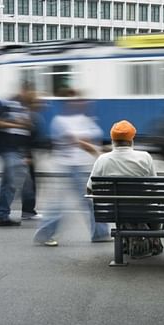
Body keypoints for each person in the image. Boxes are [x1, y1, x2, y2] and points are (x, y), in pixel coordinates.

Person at [33, 90, 110, 246]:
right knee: (62, 203)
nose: (84, 103)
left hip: (82, 166)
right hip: (69, 167)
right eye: (78, 100)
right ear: (69, 103)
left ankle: (100, 233)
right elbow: (79, 141)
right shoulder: (60, 121)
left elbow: (92, 138)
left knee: (89, 201)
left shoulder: (85, 119)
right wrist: (99, 152)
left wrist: (99, 148)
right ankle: (44, 234)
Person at [86, 120, 163, 257]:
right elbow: (154, 187)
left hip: (116, 211)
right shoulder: (144, 157)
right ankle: (153, 240)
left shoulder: (103, 159)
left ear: (113, 140)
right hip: (143, 210)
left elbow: (90, 189)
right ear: (131, 140)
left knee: (122, 206)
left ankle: (128, 241)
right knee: (152, 206)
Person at [0, 84, 40, 227]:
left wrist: (27, 153)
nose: (33, 97)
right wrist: (16, 124)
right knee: (9, 183)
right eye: (31, 93)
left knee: (27, 185)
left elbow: (27, 133)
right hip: (9, 149)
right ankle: (2, 216)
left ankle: (27, 211)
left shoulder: (25, 108)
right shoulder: (6, 104)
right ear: (23, 91)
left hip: (20, 151)